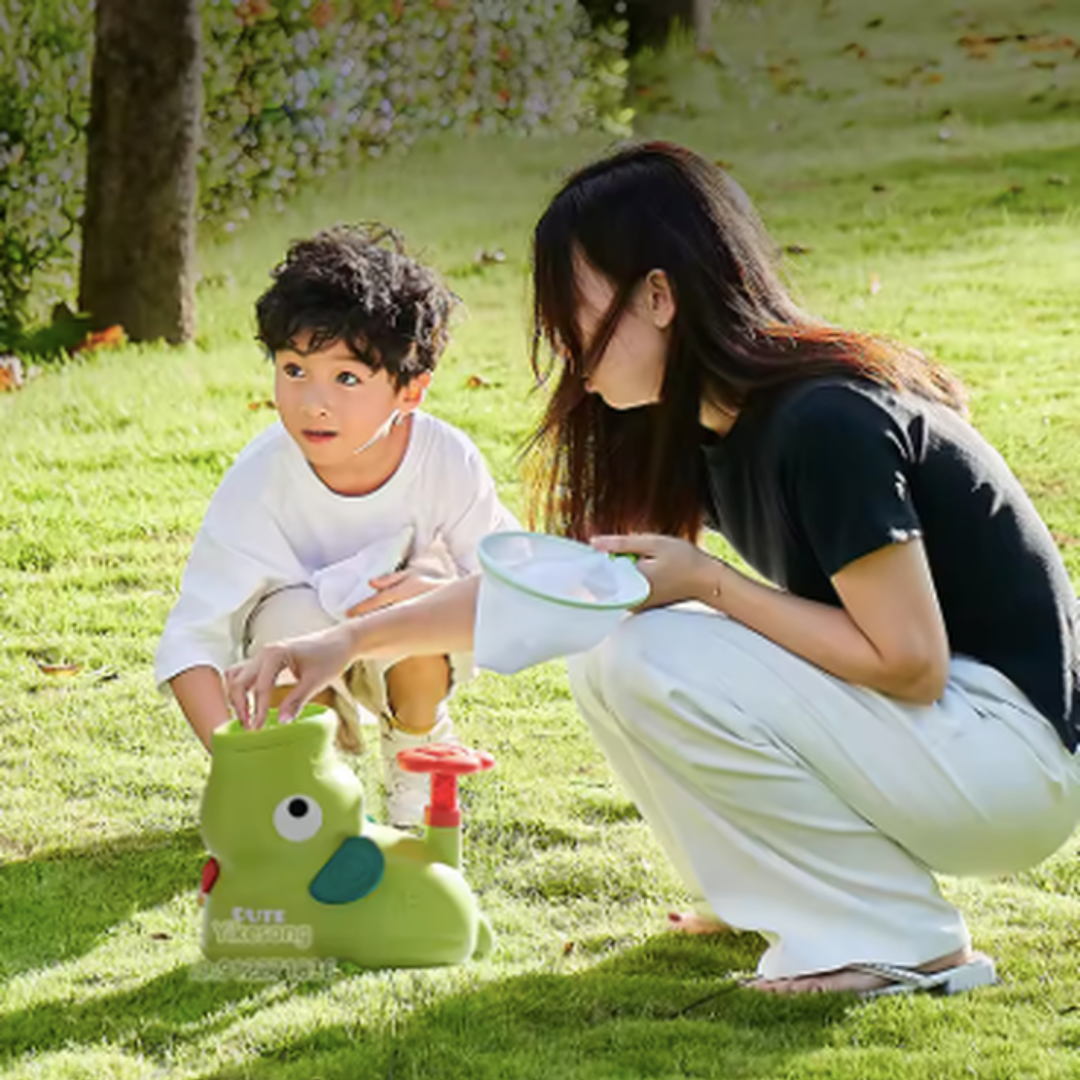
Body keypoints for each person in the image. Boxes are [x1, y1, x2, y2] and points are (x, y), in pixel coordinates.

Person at [223, 144, 1080, 996]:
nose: (559, 339)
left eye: (574, 308)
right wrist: (344, 642)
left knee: (649, 652)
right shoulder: (700, 428)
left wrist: (714, 586)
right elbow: (558, 594)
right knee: (611, 648)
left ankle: (899, 944)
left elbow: (912, 663)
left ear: (659, 295)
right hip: (948, 748)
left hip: (1012, 761)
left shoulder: (826, 422)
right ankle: (787, 901)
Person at [155, 224, 517, 827]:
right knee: (285, 628)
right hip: (294, 659)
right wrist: (234, 760)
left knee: (409, 612)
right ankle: (311, 780)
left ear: (411, 390)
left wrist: (435, 582)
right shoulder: (261, 479)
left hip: (404, 659)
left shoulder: (446, 461)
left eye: (346, 378)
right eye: (294, 369)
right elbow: (193, 638)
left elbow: (513, 586)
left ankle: (416, 753)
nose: (312, 402)